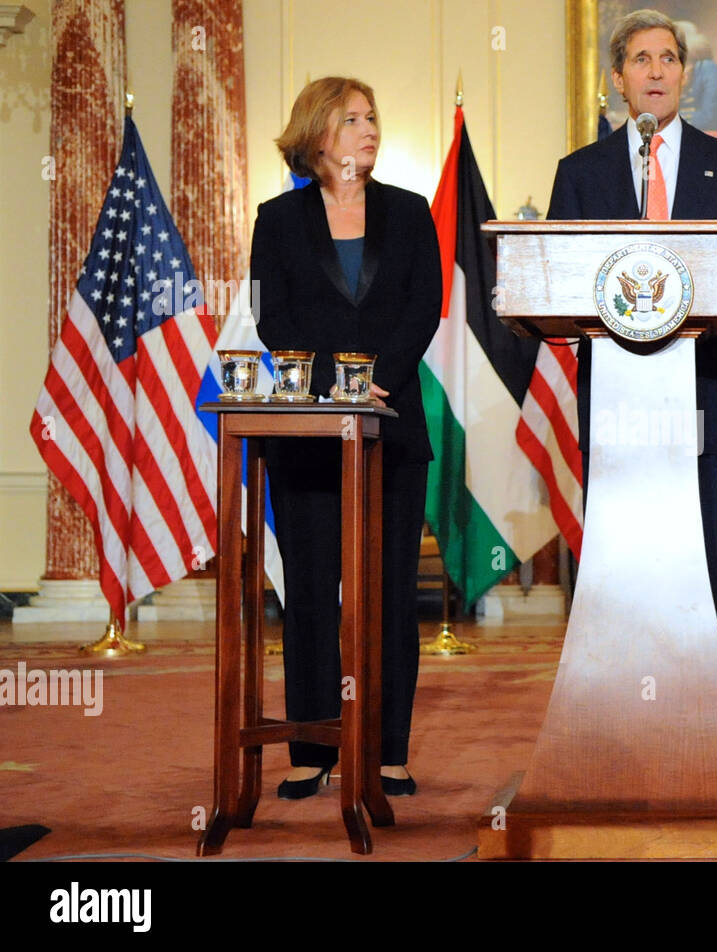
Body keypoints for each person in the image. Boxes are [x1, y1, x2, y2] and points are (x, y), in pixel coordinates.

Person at [546, 8, 717, 662]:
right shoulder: (579, 173)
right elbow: (559, 283)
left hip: (703, 388)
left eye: (668, 58)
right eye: (641, 59)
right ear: (618, 78)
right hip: (616, 391)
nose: (656, 71)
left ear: (684, 74)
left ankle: (706, 704)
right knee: (623, 545)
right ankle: (619, 692)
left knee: (701, 542)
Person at [250, 77, 441, 799]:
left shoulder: (410, 212)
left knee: (390, 593)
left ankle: (387, 750)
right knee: (308, 593)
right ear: (318, 133)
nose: (368, 129)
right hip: (306, 434)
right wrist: (335, 384)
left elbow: (427, 305)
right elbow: (270, 317)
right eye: (351, 118)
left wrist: (372, 382)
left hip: (392, 429)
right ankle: (311, 748)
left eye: (372, 117)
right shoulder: (277, 219)